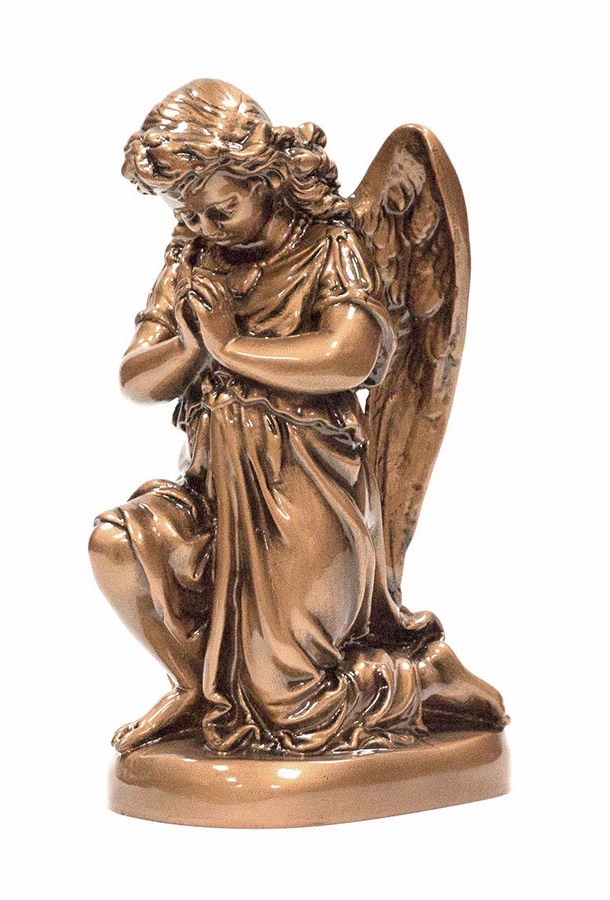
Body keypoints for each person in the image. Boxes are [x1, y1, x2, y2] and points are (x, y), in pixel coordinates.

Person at [89, 79, 506, 755]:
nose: (204, 227)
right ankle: (198, 689)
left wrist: (230, 346)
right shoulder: (193, 258)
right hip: (215, 490)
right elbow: (135, 376)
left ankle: (423, 677)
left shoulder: (327, 244)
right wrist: (192, 346)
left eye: (221, 208)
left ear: (263, 177)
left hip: (306, 492)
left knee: (294, 710)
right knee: (119, 545)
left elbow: (350, 355)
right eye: (188, 214)